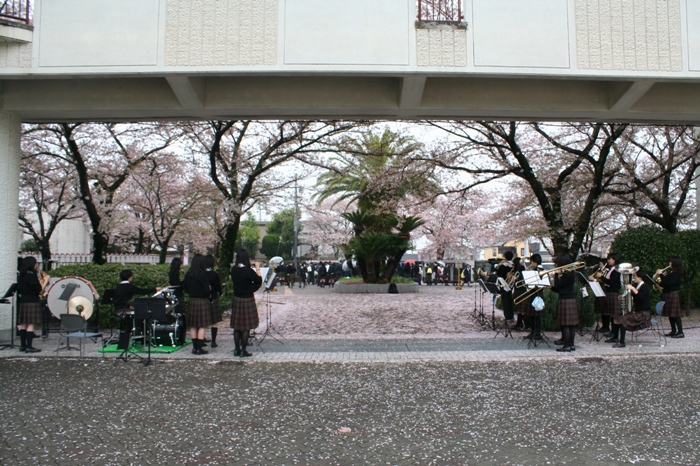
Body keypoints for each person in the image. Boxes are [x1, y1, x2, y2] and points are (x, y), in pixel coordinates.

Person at [230, 249, 262, 357]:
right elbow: (259, 281)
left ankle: (236, 350)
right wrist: (257, 268)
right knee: (246, 327)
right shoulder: (248, 271)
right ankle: (243, 351)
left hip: (237, 299)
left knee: (237, 326)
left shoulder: (234, 270)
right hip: (247, 299)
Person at [183, 254, 217, 355]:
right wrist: (208, 291)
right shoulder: (203, 274)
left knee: (193, 325)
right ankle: (199, 348)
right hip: (202, 301)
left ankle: (194, 348)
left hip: (192, 300)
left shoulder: (188, 274)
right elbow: (207, 290)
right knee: (202, 325)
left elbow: (184, 287)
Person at [616, 269, 652, 348]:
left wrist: (632, 288)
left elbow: (641, 297)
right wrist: (623, 296)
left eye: (635, 276)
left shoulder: (644, 286)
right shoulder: (638, 287)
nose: (633, 278)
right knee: (622, 316)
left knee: (623, 318)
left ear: (640, 277)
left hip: (644, 314)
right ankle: (617, 338)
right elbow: (635, 298)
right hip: (639, 312)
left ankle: (622, 342)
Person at [17, 257, 45, 353]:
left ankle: (22, 346)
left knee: (23, 324)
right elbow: (38, 289)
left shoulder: (22, 275)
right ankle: (29, 347)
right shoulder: (32, 275)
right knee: (31, 324)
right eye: (35, 263)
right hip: (32, 300)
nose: (36, 265)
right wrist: (44, 282)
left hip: (23, 300)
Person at [551, 253, 578, 352]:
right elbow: (561, 288)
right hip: (570, 298)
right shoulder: (570, 272)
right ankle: (571, 345)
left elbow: (559, 285)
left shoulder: (567, 273)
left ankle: (567, 345)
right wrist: (551, 288)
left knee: (566, 324)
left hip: (566, 299)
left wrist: (556, 275)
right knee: (571, 324)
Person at [659, 256, 684, 338]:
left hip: (672, 294)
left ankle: (680, 332)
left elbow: (668, 283)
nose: (669, 263)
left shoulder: (676, 273)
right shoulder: (672, 272)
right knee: (670, 314)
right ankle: (673, 330)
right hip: (668, 294)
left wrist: (661, 275)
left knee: (675, 314)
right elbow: (666, 283)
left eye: (670, 262)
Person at [600, 253, 622, 343]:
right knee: (612, 314)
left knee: (614, 314)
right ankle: (613, 332)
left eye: (610, 259)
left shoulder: (616, 270)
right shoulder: (611, 269)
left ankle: (615, 334)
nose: (608, 261)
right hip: (610, 293)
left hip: (613, 293)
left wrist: (601, 277)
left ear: (615, 260)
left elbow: (611, 282)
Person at [204, 255, 223, 348]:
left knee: (202, 320)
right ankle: (213, 342)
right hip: (213, 298)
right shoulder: (214, 274)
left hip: (203, 298)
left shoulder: (201, 273)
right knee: (214, 321)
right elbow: (218, 287)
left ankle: (201, 339)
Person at [495, 251, 515, 321]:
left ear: (505, 257)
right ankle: (511, 315)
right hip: (512, 285)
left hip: (504, 284)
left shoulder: (503, 266)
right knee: (510, 300)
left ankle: (507, 316)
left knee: (505, 301)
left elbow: (498, 274)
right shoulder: (514, 265)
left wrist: (499, 265)